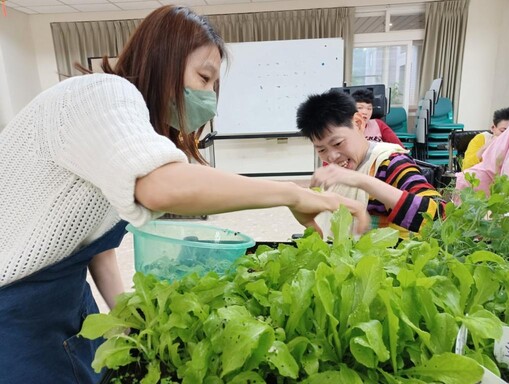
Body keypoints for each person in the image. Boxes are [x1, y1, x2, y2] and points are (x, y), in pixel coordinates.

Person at [0, 6, 370, 384]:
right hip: (14, 308)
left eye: (214, 85)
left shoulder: (125, 130)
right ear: (163, 59)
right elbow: (162, 188)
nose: (209, 95)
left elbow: (97, 242)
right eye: (204, 77)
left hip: (63, 297)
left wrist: (129, 318)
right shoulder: (103, 92)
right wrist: (292, 194)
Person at [296, 89, 446, 238]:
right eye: (321, 150)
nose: (332, 157)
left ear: (358, 123)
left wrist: (360, 180)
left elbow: (440, 218)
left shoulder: (390, 162)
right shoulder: (336, 173)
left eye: (338, 143)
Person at [456, 122, 509, 195]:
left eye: (506, 133)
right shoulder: (482, 139)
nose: (504, 136)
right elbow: (467, 166)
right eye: (502, 131)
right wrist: (484, 148)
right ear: (493, 128)